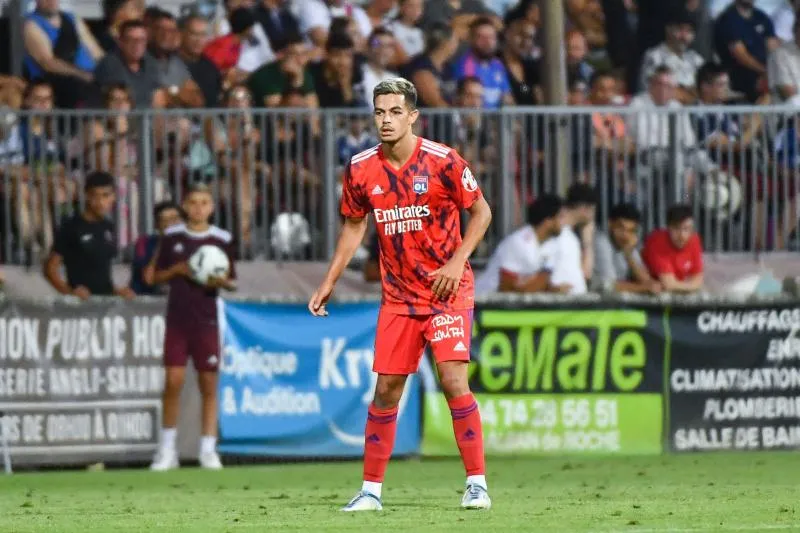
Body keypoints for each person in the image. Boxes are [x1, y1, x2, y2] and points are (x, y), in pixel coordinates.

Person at [308, 78, 493, 511]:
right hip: (399, 297)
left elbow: (481, 211)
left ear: (413, 115)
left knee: (452, 380)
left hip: (447, 290)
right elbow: (354, 226)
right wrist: (329, 280)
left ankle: (477, 483)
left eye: (394, 112)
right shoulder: (360, 168)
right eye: (379, 112)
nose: (386, 120)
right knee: (387, 389)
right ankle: (371, 490)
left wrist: (456, 261)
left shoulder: (443, 161)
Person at [149, 184, 237, 471]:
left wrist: (216, 279)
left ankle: (208, 449)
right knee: (173, 381)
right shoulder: (172, 237)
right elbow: (154, 276)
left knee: (208, 384)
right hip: (178, 319)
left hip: (207, 320)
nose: (199, 208)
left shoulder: (221, 239)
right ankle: (166, 450)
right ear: (185, 206)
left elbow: (231, 280)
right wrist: (177, 270)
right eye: (193, 202)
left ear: (212, 207)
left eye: (204, 202)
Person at [43, 171, 135, 300]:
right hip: (81, 308)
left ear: (113, 197)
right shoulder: (71, 226)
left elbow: (101, 273)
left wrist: (117, 291)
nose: (101, 202)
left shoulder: (109, 226)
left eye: (105, 195)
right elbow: (50, 269)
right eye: (95, 196)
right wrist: (70, 293)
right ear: (86, 196)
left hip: (106, 304)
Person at [474, 194, 563, 296]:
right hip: (484, 302)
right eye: (560, 217)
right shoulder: (517, 242)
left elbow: (543, 283)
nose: (563, 223)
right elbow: (506, 288)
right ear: (548, 221)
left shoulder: (551, 245)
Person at [592, 203, 662, 294]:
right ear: (610, 224)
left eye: (631, 230)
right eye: (621, 228)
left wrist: (628, 255)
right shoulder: (601, 242)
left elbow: (647, 281)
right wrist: (643, 288)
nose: (625, 235)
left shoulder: (628, 245)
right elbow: (609, 285)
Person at [542, 183, 597, 295]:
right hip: (559, 303)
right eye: (593, 210)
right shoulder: (559, 234)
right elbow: (586, 274)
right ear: (584, 208)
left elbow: (585, 274)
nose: (593, 217)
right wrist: (588, 242)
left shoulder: (571, 237)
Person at [641, 204, 704, 293]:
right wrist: (691, 285)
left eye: (687, 229)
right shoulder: (657, 242)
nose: (682, 235)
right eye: (677, 228)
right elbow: (669, 284)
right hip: (644, 289)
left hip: (667, 289)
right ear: (668, 228)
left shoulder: (694, 239)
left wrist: (681, 285)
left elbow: (698, 280)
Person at [129, 201, 183, 295]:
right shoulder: (144, 242)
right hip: (147, 298)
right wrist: (163, 243)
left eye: (174, 219)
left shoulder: (190, 243)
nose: (170, 224)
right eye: (164, 220)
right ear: (157, 225)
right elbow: (148, 279)